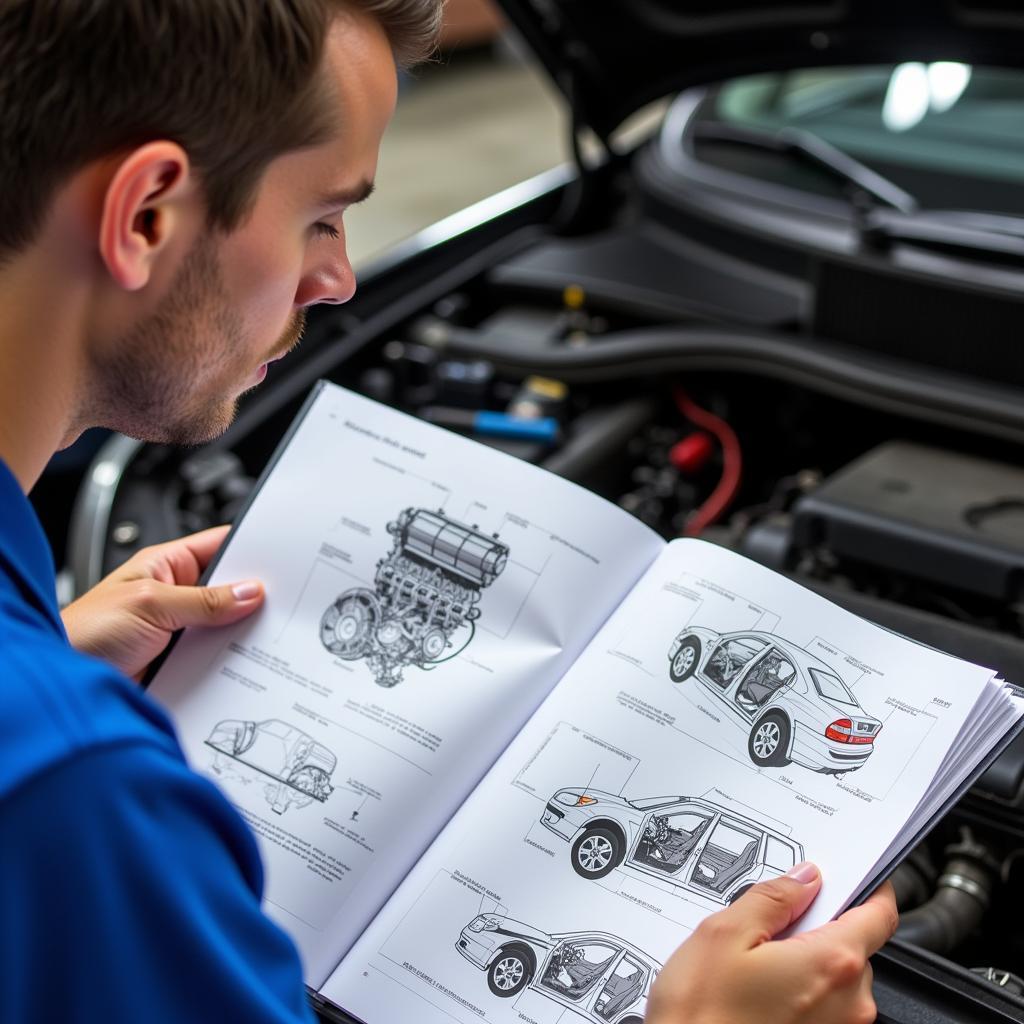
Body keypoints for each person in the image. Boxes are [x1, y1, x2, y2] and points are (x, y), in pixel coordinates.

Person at [0, 2, 896, 1022]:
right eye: (322, 219)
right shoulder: (76, 792)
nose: (337, 281)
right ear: (146, 215)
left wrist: (53, 666)